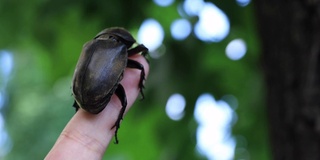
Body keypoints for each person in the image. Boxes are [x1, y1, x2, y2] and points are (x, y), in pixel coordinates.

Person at [45, 55, 149, 160]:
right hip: (93, 95)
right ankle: (115, 126)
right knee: (124, 101)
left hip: (84, 93)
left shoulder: (90, 45)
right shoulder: (120, 49)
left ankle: (79, 105)